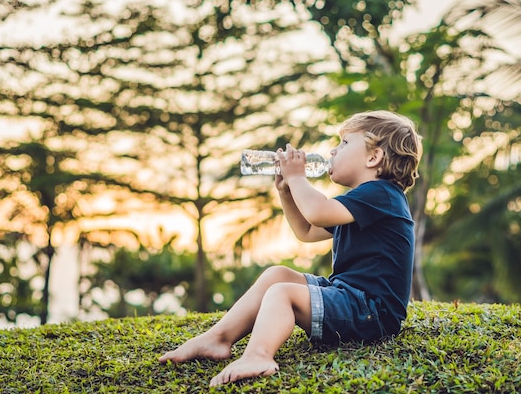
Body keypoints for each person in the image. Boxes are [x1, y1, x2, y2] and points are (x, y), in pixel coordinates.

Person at [158, 110, 423, 387]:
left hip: (371, 312)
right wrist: (286, 191)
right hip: (350, 297)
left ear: (374, 157)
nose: (333, 151)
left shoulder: (382, 194)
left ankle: (258, 356)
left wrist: (297, 178)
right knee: (277, 275)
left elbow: (317, 213)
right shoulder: (360, 202)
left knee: (282, 293)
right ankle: (219, 338)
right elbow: (307, 231)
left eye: (344, 143)